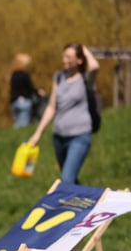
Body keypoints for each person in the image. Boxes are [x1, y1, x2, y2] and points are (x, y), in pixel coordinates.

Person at [28, 43, 100, 184]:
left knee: (66, 179)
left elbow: (95, 66)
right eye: (63, 56)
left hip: (79, 136)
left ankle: (81, 203)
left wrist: (83, 48)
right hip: (59, 137)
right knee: (70, 179)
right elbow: (51, 107)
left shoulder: (86, 79)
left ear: (79, 60)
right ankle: (83, 203)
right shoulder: (59, 77)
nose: (64, 60)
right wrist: (38, 134)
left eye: (68, 57)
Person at [9, 53, 44, 128]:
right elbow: (29, 87)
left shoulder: (13, 74)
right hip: (24, 102)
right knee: (22, 125)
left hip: (14, 101)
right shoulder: (24, 74)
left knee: (17, 123)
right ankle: (18, 139)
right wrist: (38, 92)